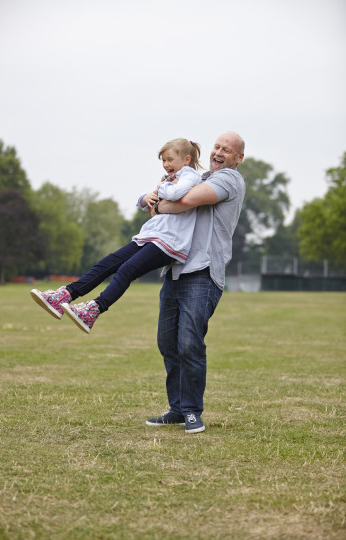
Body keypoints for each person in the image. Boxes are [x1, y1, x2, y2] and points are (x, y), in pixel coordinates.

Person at [30, 138, 202, 333]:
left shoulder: (190, 176)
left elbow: (174, 193)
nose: (166, 165)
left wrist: (162, 187)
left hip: (170, 242)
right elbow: (149, 202)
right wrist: (145, 198)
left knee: (127, 270)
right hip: (153, 236)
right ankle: (65, 295)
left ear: (186, 159)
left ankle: (93, 310)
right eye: (163, 160)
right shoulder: (171, 179)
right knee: (108, 263)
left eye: (170, 159)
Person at [145, 131, 245, 434]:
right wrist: (152, 196)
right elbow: (162, 193)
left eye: (227, 150)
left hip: (203, 273)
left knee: (189, 343)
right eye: (217, 146)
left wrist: (160, 203)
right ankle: (176, 408)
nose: (219, 153)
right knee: (167, 342)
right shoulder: (197, 175)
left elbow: (186, 200)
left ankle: (191, 411)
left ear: (238, 159)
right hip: (174, 270)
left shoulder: (228, 180)